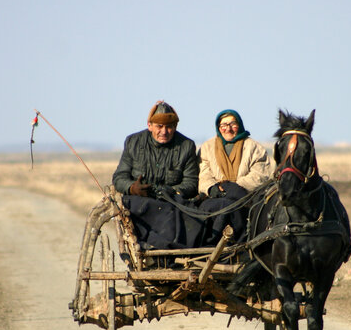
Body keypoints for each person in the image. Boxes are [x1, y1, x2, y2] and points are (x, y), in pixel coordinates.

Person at [112, 101, 201, 249]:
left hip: (171, 203)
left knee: (185, 217)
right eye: (159, 126)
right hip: (139, 202)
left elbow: (191, 182)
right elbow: (119, 177)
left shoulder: (186, 146)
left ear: (175, 127)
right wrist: (133, 188)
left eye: (169, 127)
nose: (164, 131)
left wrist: (171, 191)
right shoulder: (133, 142)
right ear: (150, 125)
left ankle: (170, 252)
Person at [198, 109, 275, 243]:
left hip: (245, 198)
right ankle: (211, 244)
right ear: (218, 127)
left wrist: (232, 187)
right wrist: (212, 188)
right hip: (215, 197)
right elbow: (204, 175)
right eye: (224, 125)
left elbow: (260, 175)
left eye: (233, 124)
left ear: (239, 125)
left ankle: (240, 244)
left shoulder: (254, 147)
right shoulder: (207, 147)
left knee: (232, 207)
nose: (228, 129)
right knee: (219, 207)